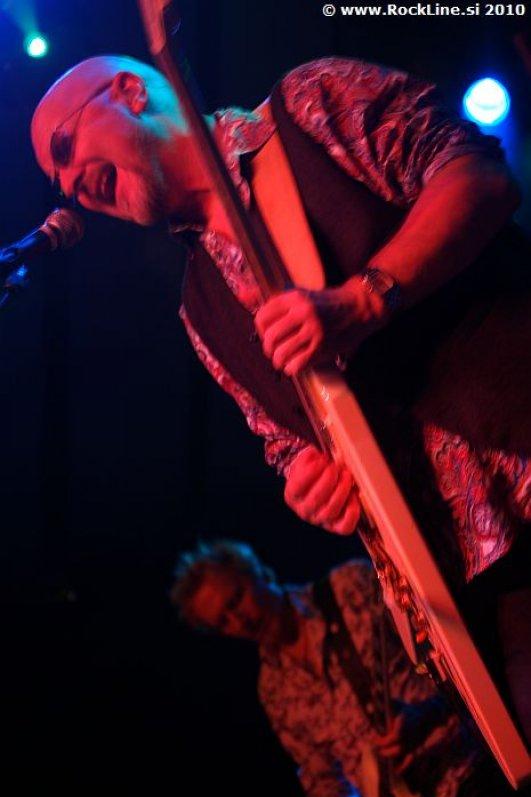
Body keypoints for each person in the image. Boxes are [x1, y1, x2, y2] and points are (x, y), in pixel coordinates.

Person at [31, 55, 531, 742]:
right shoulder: (200, 311)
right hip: (472, 577)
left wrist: (365, 298)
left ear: (130, 91)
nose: (67, 186)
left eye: (65, 149)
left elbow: (478, 176)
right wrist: (312, 485)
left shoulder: (308, 101)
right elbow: (288, 448)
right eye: (54, 181)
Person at [171, 539, 509, 797]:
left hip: (469, 770)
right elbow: (324, 781)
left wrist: (424, 714)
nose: (239, 620)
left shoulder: (349, 586)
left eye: (235, 600)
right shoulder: (272, 691)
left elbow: (454, 654)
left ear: (256, 571)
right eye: (223, 622)